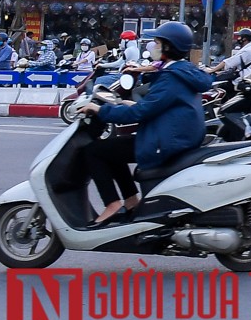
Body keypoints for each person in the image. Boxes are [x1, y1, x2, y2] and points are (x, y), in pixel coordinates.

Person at [76, 22, 212, 224]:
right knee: (112, 149)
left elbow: (140, 112)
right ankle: (131, 202)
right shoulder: (182, 71)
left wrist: (100, 110)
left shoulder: (171, 78)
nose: (153, 47)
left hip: (165, 142)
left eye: (157, 43)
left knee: (94, 151)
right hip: (172, 136)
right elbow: (156, 104)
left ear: (168, 47)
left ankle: (112, 203)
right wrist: (127, 103)